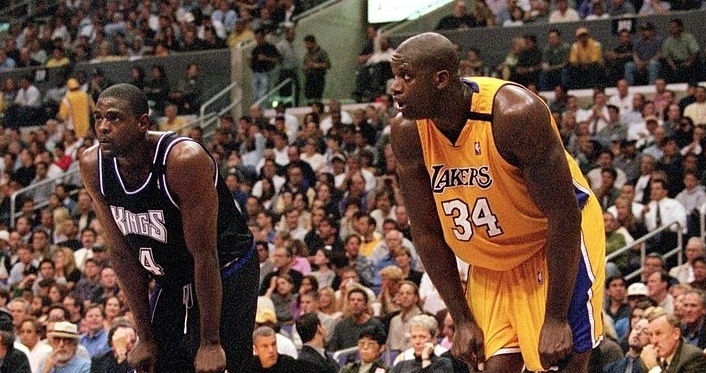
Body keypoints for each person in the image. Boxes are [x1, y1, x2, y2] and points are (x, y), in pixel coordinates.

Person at [389, 32, 605, 373]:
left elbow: (563, 216)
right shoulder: (407, 133)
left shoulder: (514, 114)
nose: (395, 87)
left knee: (561, 360)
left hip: (551, 241)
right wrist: (460, 319)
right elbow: (427, 232)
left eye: (406, 76)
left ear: (441, 79)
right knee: (491, 364)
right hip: (491, 259)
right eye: (395, 75)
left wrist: (555, 317)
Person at [78, 83, 259, 373]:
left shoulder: (183, 160)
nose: (103, 127)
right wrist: (144, 336)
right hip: (172, 275)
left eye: (114, 118)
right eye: (98, 117)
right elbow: (122, 255)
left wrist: (210, 342)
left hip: (226, 268)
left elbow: (205, 255)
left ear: (142, 123)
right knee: (155, 361)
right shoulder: (93, 165)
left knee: (217, 365)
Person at [642, 306, 706, 372]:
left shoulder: (693, 358)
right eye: (650, 335)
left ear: (676, 334)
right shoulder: (651, 357)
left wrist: (654, 368)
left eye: (659, 333)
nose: (654, 341)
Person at [302, 35, 331, 103]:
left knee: (317, 99)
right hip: (309, 78)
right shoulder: (307, 54)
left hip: (318, 78)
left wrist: (315, 65)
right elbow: (304, 65)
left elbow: (328, 65)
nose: (306, 46)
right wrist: (305, 68)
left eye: (308, 44)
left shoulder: (322, 53)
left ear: (313, 43)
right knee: (308, 98)